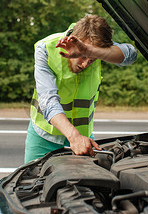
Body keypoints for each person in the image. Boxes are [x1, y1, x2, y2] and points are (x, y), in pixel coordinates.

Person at [24, 14, 137, 163]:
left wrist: (90, 52)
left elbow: (131, 54)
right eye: (82, 57)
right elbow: (48, 100)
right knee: (32, 185)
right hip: (44, 138)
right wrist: (73, 136)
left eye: (91, 60)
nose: (85, 64)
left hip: (83, 137)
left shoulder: (97, 48)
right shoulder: (45, 48)